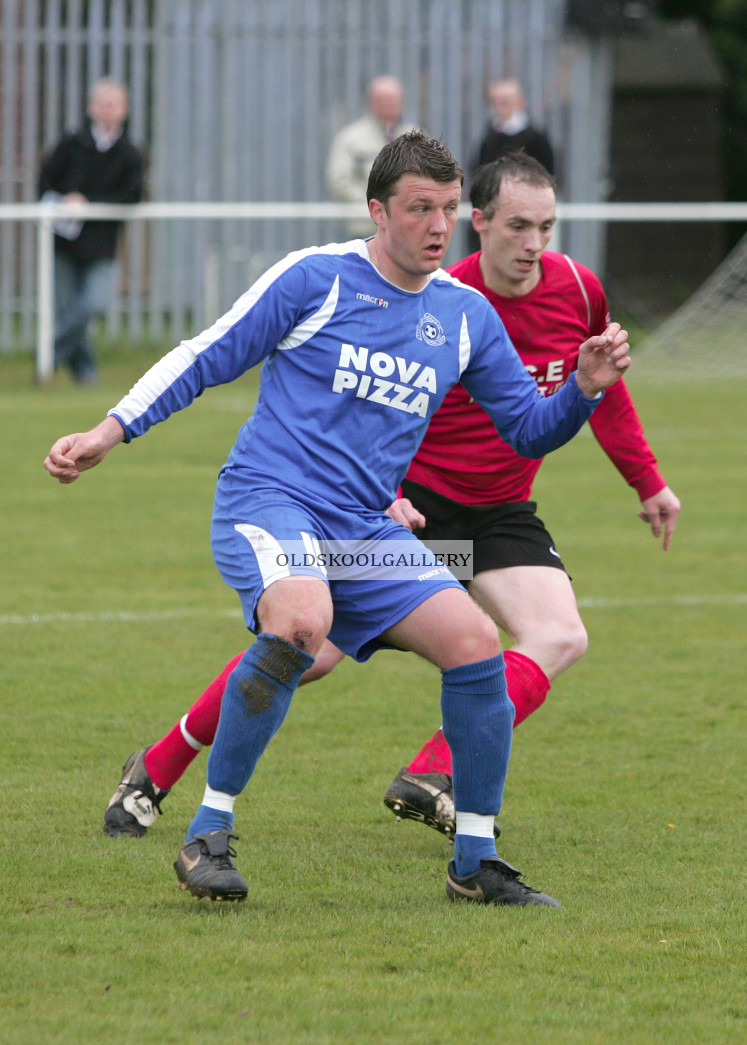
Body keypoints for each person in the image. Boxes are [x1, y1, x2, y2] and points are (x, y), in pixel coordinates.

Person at [46, 133, 630, 909]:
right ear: (377, 210)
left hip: (365, 527)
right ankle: (207, 835)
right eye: (420, 208)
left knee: (475, 643)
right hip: (270, 500)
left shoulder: (463, 317)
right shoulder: (316, 278)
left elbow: (527, 428)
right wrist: (107, 431)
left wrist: (583, 389)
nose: (436, 225)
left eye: (449, 210)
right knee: (302, 622)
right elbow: (204, 355)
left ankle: (475, 863)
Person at [38, 77, 144, 385]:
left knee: (93, 304)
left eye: (113, 104)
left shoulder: (129, 153)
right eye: (101, 103)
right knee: (66, 309)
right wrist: (65, 200)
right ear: (91, 107)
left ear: (123, 109)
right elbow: (44, 181)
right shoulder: (71, 143)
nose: (106, 110)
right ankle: (85, 376)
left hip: (102, 244)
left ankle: (49, 354)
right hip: (64, 242)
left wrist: (90, 203)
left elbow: (132, 195)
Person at [466, 79, 554, 254]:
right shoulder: (489, 137)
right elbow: (477, 171)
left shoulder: (536, 139)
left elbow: (547, 177)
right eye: (496, 101)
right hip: (492, 210)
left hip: (525, 214)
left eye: (506, 101)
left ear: (520, 102)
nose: (500, 106)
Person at [326, 76, 416, 236]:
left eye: (394, 100)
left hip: (406, 228)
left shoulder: (416, 135)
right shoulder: (351, 137)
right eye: (383, 100)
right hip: (365, 228)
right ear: (371, 103)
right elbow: (339, 179)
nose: (389, 106)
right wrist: (375, 203)